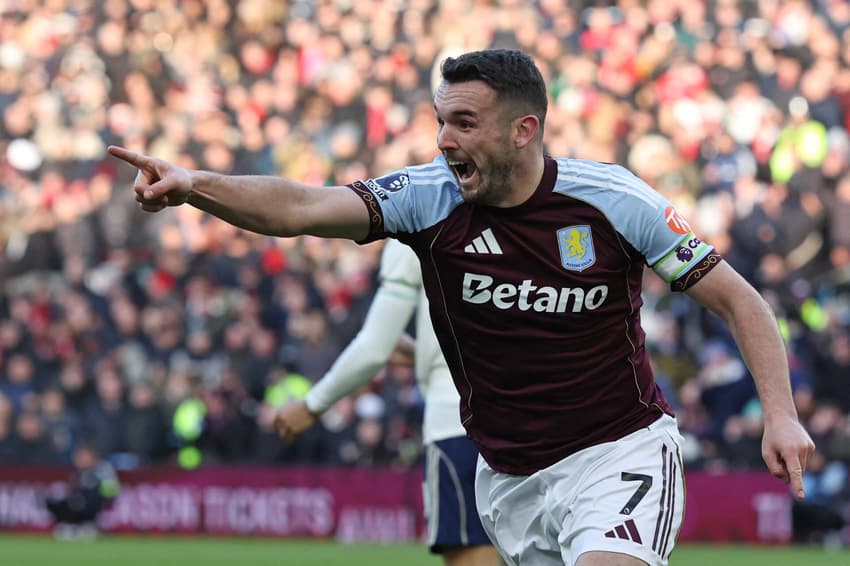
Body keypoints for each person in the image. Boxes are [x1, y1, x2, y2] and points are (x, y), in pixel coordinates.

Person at [109, 49, 815, 566]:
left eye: (465, 124)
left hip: (617, 453)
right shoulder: (425, 197)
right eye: (441, 122)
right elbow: (299, 206)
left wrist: (780, 413)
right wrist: (196, 183)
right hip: (507, 476)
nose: (445, 140)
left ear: (523, 130)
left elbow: (739, 300)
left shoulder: (615, 201)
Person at [274, 238, 499, 565]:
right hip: (535, 424)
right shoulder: (535, 213)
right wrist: (426, 354)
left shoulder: (421, 215)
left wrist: (312, 405)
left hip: (457, 423)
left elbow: (376, 346)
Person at [44, 443, 120, 540]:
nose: (80, 460)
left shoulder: (103, 469)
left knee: (88, 497)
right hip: (79, 504)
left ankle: (88, 526)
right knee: (57, 500)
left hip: (96, 506)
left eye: (83, 457)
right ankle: (69, 525)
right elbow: (73, 490)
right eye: (79, 457)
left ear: (93, 458)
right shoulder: (78, 473)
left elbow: (110, 492)